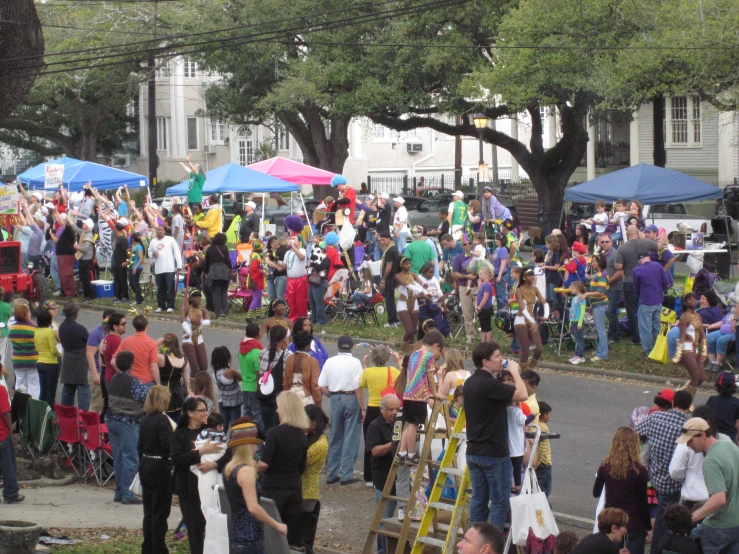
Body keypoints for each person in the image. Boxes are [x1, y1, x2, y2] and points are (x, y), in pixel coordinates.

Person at [464, 341, 528, 527]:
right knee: (500, 501)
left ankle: (476, 539)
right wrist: (515, 371)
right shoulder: (490, 385)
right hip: (494, 453)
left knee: (478, 500)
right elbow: (522, 394)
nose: (502, 359)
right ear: (486, 362)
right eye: (498, 356)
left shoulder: (470, 383)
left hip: (474, 450)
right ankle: (492, 543)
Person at [635, 389, 692, 551]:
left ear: (673, 403)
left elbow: (637, 432)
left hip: (654, 476)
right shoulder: (686, 427)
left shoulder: (655, 417)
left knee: (659, 514)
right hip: (673, 482)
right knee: (665, 519)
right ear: (688, 408)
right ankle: (659, 549)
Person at [171, 397, 225, 554]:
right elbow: (177, 460)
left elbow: (227, 452)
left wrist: (215, 464)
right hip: (189, 489)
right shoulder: (180, 434)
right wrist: (200, 452)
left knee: (214, 528)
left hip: (211, 485)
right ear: (190, 413)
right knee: (195, 531)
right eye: (202, 410)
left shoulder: (211, 430)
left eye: (206, 410)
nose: (205, 413)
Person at [257, 391, 309, 550]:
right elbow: (302, 466)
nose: (277, 410)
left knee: (271, 533)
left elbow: (264, 464)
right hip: (294, 488)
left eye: (279, 407)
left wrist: (249, 467)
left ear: (285, 409)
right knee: (291, 538)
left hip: (274, 487)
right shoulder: (302, 435)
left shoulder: (274, 433)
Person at [678, 416, 739, 553]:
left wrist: (693, 517)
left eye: (690, 441)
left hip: (720, 525)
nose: (687, 445)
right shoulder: (731, 447)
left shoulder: (710, 460)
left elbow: (719, 499)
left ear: (703, 435)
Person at [224, 423, 287, 554]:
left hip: (236, 533)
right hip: (250, 537)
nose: (256, 449)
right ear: (246, 447)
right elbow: (253, 507)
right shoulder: (245, 471)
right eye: (254, 445)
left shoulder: (230, 468)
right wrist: (276, 524)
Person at [593, 427, 652, 554]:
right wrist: (648, 527)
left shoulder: (605, 466)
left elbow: (596, 492)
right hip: (634, 524)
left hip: (612, 524)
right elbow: (643, 504)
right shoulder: (639, 471)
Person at [318, 335, 365, 484]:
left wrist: (331, 395)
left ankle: (331, 473)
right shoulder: (355, 362)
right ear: (351, 347)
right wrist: (363, 407)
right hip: (350, 396)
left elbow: (321, 385)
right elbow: (358, 386)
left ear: (338, 347)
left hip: (335, 398)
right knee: (351, 437)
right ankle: (346, 474)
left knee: (335, 436)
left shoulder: (330, 362)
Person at [107, 349, 151, 504]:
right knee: (130, 457)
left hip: (112, 419)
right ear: (131, 365)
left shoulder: (114, 378)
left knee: (118, 457)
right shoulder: (134, 382)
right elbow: (147, 398)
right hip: (128, 422)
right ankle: (127, 493)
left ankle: (119, 491)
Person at [395, 331, 444, 466]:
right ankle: (411, 454)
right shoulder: (429, 356)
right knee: (413, 426)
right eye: (438, 349)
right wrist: (434, 393)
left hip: (408, 393)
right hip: (418, 396)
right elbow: (430, 376)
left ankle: (402, 453)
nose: (437, 352)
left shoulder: (414, 354)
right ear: (435, 345)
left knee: (409, 425)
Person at [138, 387, 174, 553]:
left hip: (145, 464)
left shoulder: (146, 419)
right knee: (160, 511)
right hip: (159, 466)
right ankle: (158, 548)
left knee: (149, 510)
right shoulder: (162, 420)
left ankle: (148, 546)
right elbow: (168, 444)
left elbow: (139, 445)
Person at [360, 345, 401, 486]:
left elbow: (362, 383)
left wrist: (365, 366)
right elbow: (404, 379)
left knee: (369, 443)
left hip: (372, 407)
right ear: (387, 357)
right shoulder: (393, 371)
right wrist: (399, 361)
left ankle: (368, 477)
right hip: (389, 407)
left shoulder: (368, 372)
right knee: (391, 438)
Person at [366, 394, 402, 554]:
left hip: (400, 478)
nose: (394, 412)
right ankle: (382, 551)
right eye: (391, 409)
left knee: (401, 519)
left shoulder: (400, 423)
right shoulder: (375, 426)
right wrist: (394, 443)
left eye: (397, 409)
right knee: (384, 519)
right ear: (382, 409)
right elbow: (375, 451)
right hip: (383, 477)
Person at [614, 225, 659, 345]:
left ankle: (637, 338)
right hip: (646, 280)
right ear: (637, 232)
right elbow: (659, 247)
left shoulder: (622, 248)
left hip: (630, 280)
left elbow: (618, 266)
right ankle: (653, 336)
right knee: (646, 307)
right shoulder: (647, 242)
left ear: (627, 235)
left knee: (632, 309)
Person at [301, 404, 329, 550]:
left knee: (304, 538)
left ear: (314, 422)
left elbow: (300, 461)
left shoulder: (319, 444)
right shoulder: (310, 438)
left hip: (308, 492)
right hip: (303, 491)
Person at [59, 302, 96, 410]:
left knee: (67, 389)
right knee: (83, 390)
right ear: (75, 314)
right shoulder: (80, 328)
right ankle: (83, 415)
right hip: (80, 361)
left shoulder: (62, 327)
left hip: (68, 360)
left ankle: (65, 415)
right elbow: (89, 341)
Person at [633, 252, 670, 356]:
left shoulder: (637, 270)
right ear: (649, 258)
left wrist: (641, 296)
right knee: (657, 326)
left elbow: (636, 288)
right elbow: (666, 281)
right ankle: (659, 348)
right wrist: (660, 290)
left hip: (645, 301)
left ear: (639, 261)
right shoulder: (657, 266)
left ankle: (648, 351)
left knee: (645, 328)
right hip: (658, 300)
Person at [671, 292, 707, 399]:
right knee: (695, 376)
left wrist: (704, 350)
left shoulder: (698, 316)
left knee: (701, 378)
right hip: (687, 348)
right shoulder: (684, 317)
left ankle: (681, 392)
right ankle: (688, 403)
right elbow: (681, 337)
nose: (692, 301)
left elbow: (702, 335)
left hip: (695, 348)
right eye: (689, 299)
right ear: (685, 302)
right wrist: (677, 356)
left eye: (694, 298)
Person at [258, 325, 292, 432]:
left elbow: (261, 372)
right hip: (279, 396)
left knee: (267, 427)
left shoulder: (262, 353)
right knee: (278, 427)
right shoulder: (287, 355)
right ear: (283, 340)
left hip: (264, 395)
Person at [514, 268, 549, 369]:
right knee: (525, 350)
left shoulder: (535, 289)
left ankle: (530, 370)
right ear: (524, 278)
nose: (532, 277)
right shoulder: (519, 290)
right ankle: (524, 375)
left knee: (538, 349)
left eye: (533, 275)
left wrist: (546, 315)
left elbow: (544, 302)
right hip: (521, 320)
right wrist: (533, 322)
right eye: (529, 275)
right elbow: (522, 308)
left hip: (531, 321)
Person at [114, 314, 160, 386]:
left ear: (134, 326)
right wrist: (158, 384)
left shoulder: (126, 341)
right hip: (145, 381)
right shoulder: (152, 344)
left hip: (129, 380)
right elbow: (154, 367)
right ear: (146, 326)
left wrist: (122, 374)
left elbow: (113, 361)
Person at [156, 333, 189, 424]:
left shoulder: (161, 357)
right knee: (175, 421)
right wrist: (188, 391)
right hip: (178, 393)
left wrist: (156, 345)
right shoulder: (184, 359)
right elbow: (187, 379)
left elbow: (147, 357)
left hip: (163, 392)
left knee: (161, 420)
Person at [394, 255, 426, 353]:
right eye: (406, 264)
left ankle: (410, 351)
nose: (409, 265)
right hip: (403, 304)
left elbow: (422, 283)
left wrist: (425, 287)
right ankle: (402, 350)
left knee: (414, 331)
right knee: (409, 330)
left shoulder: (413, 275)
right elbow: (406, 285)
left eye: (409, 263)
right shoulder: (398, 276)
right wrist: (419, 290)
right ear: (401, 265)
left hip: (414, 303)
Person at [87, 309, 116, 415]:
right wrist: (95, 374)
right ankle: (89, 429)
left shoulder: (110, 333)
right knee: (96, 404)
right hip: (98, 372)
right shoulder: (96, 334)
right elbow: (90, 354)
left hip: (105, 373)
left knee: (104, 405)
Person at [148, 225, 182, 313]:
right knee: (160, 288)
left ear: (164, 231)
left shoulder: (170, 239)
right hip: (158, 269)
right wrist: (152, 255)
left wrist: (179, 265)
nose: (160, 231)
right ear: (156, 231)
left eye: (162, 230)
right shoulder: (153, 241)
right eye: (158, 230)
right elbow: (149, 252)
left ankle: (170, 305)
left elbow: (176, 252)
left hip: (169, 268)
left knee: (170, 287)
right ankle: (161, 305)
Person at [0, 374, 23, 503]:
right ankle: (11, 494)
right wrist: (10, 428)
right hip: (2, 434)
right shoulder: (1, 390)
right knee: (8, 466)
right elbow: (5, 412)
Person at [9, 302, 39, 398]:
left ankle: (18, 406)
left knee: (20, 384)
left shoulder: (12, 328)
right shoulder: (33, 328)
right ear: (26, 314)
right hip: (33, 360)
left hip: (18, 360)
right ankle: (32, 407)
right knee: (33, 385)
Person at [239, 321, 264, 432]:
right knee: (258, 418)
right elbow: (259, 373)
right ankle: (258, 445)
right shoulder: (256, 351)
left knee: (246, 418)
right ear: (258, 335)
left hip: (245, 387)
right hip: (254, 388)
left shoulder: (241, 350)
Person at [453, 241, 479, 344]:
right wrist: (466, 276)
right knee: (467, 313)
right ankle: (470, 336)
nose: (467, 245)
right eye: (464, 244)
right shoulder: (459, 258)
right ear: (462, 246)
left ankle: (483, 334)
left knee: (481, 312)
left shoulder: (478, 256)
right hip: (464, 287)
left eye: (469, 243)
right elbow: (455, 273)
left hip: (477, 286)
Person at [211, 346, 242, 431]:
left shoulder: (214, 373)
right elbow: (241, 378)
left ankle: (220, 441)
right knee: (235, 426)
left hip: (222, 401)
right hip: (234, 402)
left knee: (223, 426)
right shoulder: (230, 372)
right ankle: (233, 443)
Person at [35, 309, 60, 409]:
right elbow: (53, 349)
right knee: (51, 392)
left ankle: (41, 413)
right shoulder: (49, 331)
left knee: (43, 390)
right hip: (51, 363)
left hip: (40, 361)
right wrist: (58, 354)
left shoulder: (37, 331)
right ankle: (50, 415)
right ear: (49, 320)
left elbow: (36, 347)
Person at [180, 290, 210, 374]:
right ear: (190, 298)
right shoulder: (185, 309)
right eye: (195, 297)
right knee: (194, 366)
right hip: (187, 339)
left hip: (199, 338)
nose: (197, 299)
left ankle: (200, 384)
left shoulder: (203, 311)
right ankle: (191, 385)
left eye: (199, 297)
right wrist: (189, 332)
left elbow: (208, 321)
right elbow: (182, 320)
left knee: (204, 366)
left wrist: (201, 322)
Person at [203, 232, 232, 319]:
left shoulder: (210, 249)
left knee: (216, 293)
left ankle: (217, 313)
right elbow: (227, 260)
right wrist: (230, 269)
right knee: (224, 292)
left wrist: (206, 272)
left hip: (214, 271)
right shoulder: (224, 248)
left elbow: (206, 262)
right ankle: (224, 311)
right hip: (223, 270)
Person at [706, 371, 739, 443]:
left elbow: (706, 417)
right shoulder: (736, 402)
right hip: (729, 438)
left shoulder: (712, 399)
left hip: (713, 436)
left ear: (718, 386)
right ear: (733, 387)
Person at [285, 233, 308, 322]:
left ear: (299, 241)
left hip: (300, 280)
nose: (291, 240)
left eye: (294, 239)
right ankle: (292, 319)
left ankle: (302, 319)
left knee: (300, 301)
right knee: (291, 301)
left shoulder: (302, 250)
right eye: (291, 239)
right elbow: (285, 265)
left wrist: (293, 247)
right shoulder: (287, 253)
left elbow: (301, 257)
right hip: (290, 280)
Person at [379, 233, 400, 328]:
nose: (382, 242)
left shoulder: (391, 250)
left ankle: (392, 321)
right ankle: (395, 319)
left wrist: (383, 280)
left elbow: (389, 266)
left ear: (389, 238)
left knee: (389, 300)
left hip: (390, 277)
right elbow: (384, 252)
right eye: (380, 240)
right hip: (393, 277)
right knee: (390, 299)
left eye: (383, 240)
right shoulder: (392, 248)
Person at [535, 401, 554, 499]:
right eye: (549, 414)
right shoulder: (542, 427)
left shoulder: (535, 425)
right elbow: (541, 448)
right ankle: (544, 510)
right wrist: (537, 463)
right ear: (545, 415)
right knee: (544, 490)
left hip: (541, 464)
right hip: (544, 464)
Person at [568, 281, 587, 365]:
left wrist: (580, 323)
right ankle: (576, 354)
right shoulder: (574, 298)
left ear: (578, 289)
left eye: (572, 288)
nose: (570, 289)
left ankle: (580, 356)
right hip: (574, 321)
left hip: (578, 321)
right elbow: (572, 311)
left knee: (580, 339)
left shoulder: (581, 298)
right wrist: (570, 323)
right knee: (577, 339)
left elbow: (582, 312)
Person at [111, 222, 130, 303]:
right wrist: (115, 237)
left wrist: (127, 261)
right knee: (116, 279)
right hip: (115, 261)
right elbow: (113, 246)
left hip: (121, 262)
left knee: (122, 279)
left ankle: (125, 295)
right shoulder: (117, 238)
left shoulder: (123, 239)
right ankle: (117, 295)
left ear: (116, 229)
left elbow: (127, 251)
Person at [476, 266, 495, 344]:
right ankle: (483, 342)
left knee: (487, 327)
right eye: (479, 274)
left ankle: (488, 342)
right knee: (483, 326)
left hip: (485, 309)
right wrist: (476, 305)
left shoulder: (487, 285)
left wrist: (479, 307)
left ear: (486, 275)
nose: (479, 276)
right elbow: (478, 296)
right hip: (480, 308)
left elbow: (485, 298)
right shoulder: (482, 284)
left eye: (481, 274)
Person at [247, 239, 265, 312]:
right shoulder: (256, 256)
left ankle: (258, 315)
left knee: (259, 297)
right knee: (256, 298)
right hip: (256, 280)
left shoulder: (254, 255)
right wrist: (261, 271)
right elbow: (253, 268)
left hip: (257, 279)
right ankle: (248, 316)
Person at [129, 232, 146, 305]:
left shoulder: (139, 247)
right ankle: (139, 296)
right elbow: (132, 257)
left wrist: (135, 267)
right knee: (131, 283)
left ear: (132, 239)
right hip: (131, 266)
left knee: (135, 283)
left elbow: (141, 258)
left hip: (136, 267)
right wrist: (127, 263)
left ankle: (138, 299)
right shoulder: (134, 246)